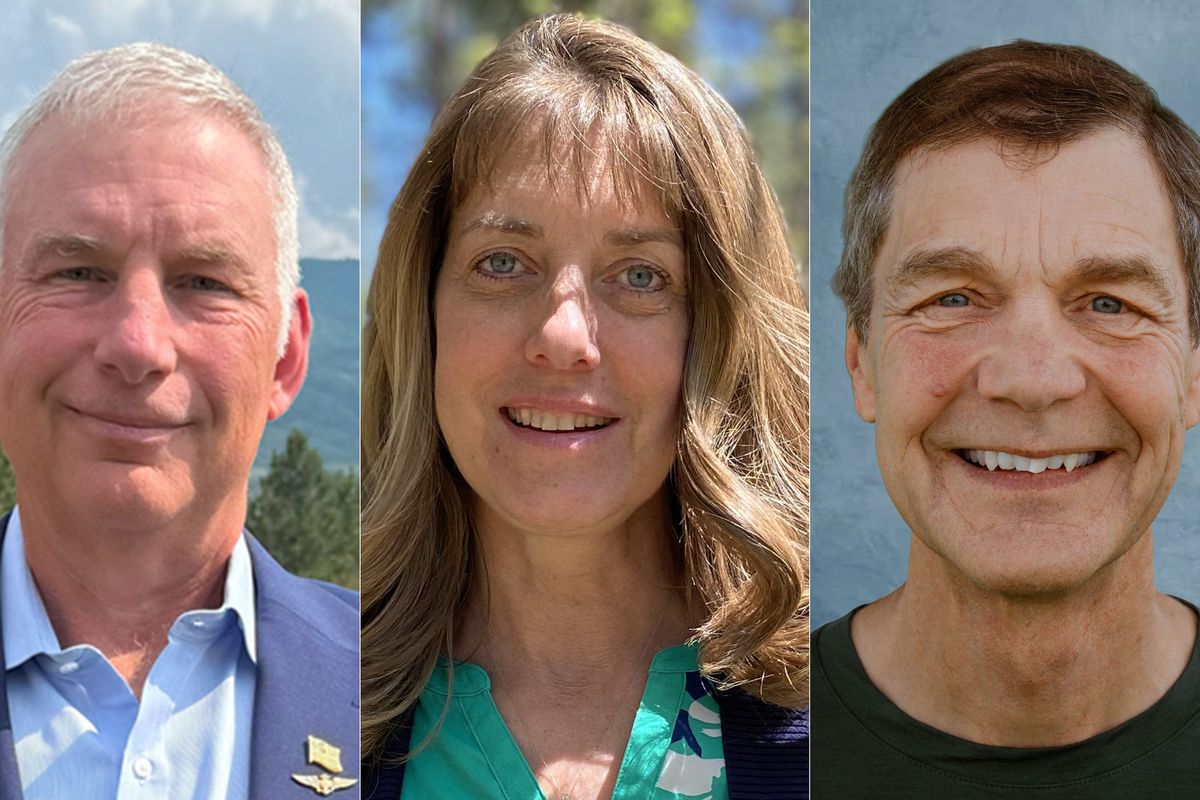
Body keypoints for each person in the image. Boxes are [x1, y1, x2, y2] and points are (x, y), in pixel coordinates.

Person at [361, 13, 808, 800]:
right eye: (503, 263)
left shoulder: (852, 724)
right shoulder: (309, 721)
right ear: (422, 314)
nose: (563, 336)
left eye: (640, 275)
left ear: (722, 333)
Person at [812, 40, 1200, 797]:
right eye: (952, 299)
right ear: (861, 365)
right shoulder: (743, 737)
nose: (1031, 381)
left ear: (1192, 371)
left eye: (1110, 303)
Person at [0, 44, 358, 800]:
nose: (137, 345)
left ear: (286, 359)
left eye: (203, 281)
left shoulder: (405, 686)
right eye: (77, 272)